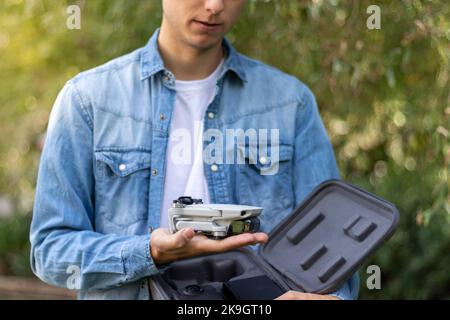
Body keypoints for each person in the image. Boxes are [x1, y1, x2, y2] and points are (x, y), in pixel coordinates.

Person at [30, 0, 359, 300]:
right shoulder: (87, 101)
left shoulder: (290, 102)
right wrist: (149, 252)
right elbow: (50, 250)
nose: (215, 6)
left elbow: (331, 243)